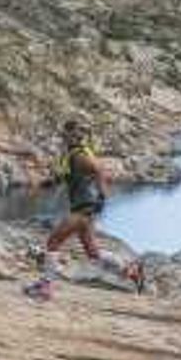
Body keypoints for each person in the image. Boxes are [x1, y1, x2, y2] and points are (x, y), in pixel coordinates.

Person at [24, 119, 144, 301]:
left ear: (72, 135)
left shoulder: (78, 155)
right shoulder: (70, 155)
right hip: (86, 207)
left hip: (84, 207)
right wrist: (41, 185)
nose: (64, 137)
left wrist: (102, 196)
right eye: (65, 134)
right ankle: (130, 271)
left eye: (67, 134)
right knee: (93, 252)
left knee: (53, 241)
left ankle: (46, 287)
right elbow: (61, 178)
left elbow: (98, 171)